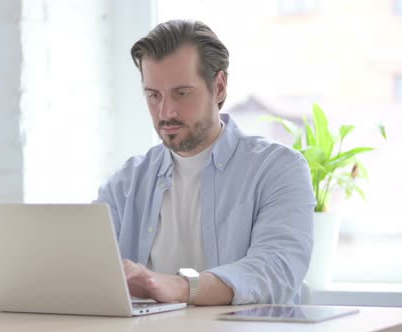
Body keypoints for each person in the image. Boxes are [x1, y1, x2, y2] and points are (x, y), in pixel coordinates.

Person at [95, 19, 316, 305]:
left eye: (182, 93)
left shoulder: (278, 169)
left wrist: (180, 287)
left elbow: (275, 270)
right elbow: (90, 271)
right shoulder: (125, 183)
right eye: (153, 95)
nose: (166, 111)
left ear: (220, 87)